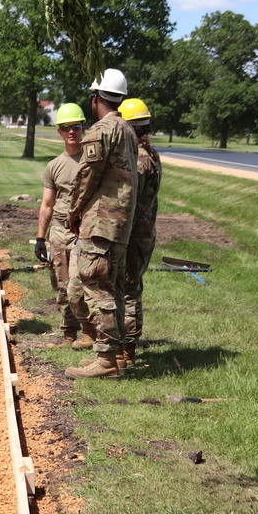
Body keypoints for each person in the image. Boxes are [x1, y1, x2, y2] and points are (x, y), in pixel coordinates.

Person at [64, 68, 138, 379]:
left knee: (97, 286)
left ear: (96, 99)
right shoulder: (129, 131)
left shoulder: (101, 131)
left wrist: (73, 211)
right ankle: (118, 355)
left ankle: (106, 360)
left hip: (101, 223)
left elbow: (86, 176)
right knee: (115, 287)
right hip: (121, 223)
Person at [34, 103, 97, 349]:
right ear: (59, 131)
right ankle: (69, 334)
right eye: (66, 128)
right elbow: (47, 205)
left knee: (77, 285)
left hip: (84, 230)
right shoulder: (54, 166)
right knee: (61, 286)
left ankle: (90, 332)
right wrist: (41, 238)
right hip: (59, 231)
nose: (72, 132)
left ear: (84, 128)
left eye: (76, 127)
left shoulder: (93, 161)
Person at [118, 98, 162, 371]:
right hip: (144, 231)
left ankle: (128, 351)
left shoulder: (139, 158)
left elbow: (128, 199)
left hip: (134, 233)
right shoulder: (150, 153)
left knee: (129, 289)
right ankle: (124, 347)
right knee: (128, 287)